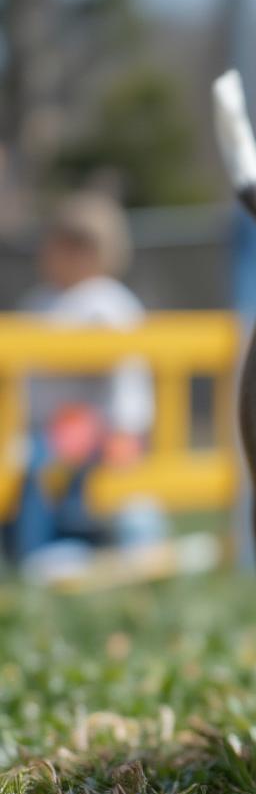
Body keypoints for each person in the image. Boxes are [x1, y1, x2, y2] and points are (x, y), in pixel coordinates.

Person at [2, 192, 155, 568]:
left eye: (63, 247)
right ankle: (31, 542)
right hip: (43, 423)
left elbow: (105, 356)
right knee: (25, 457)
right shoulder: (42, 300)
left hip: (101, 423)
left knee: (40, 463)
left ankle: (33, 551)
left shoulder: (105, 301)